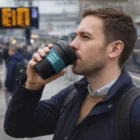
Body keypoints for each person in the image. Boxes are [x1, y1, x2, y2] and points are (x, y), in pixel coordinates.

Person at [4, 8, 140, 140]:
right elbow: (16, 127)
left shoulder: (134, 109)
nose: (73, 44)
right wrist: (32, 85)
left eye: (85, 37)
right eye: (76, 36)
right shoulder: (72, 95)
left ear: (114, 49)